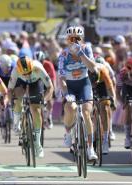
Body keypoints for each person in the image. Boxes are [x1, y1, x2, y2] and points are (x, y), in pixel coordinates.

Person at [58, 26, 98, 160]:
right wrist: (66, 94)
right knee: (71, 108)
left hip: (83, 83)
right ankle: (68, 133)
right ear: (67, 40)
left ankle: (90, 148)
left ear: (82, 40)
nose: (74, 41)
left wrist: (81, 54)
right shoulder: (63, 55)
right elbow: (62, 79)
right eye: (71, 39)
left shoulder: (86, 49)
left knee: (86, 112)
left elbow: (93, 68)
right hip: (69, 85)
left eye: (77, 39)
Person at [8, 56, 53, 158]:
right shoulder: (15, 71)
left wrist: (44, 100)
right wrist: (13, 103)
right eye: (24, 73)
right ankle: (16, 123)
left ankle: (38, 145)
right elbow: (10, 90)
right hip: (21, 83)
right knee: (17, 99)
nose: (27, 75)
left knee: (36, 110)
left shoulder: (38, 68)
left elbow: (50, 87)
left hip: (36, 82)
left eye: (29, 72)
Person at [88, 57, 116, 154]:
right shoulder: (85, 72)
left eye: (95, 81)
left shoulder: (104, 72)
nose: (94, 84)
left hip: (102, 85)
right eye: (93, 82)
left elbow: (110, 88)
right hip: (87, 85)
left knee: (104, 105)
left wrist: (113, 100)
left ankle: (105, 139)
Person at [35, 51, 56, 129]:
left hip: (47, 82)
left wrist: (54, 91)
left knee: (49, 100)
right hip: (37, 82)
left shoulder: (48, 64)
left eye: (41, 62)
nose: (40, 63)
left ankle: (49, 116)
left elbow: (53, 78)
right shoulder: (33, 65)